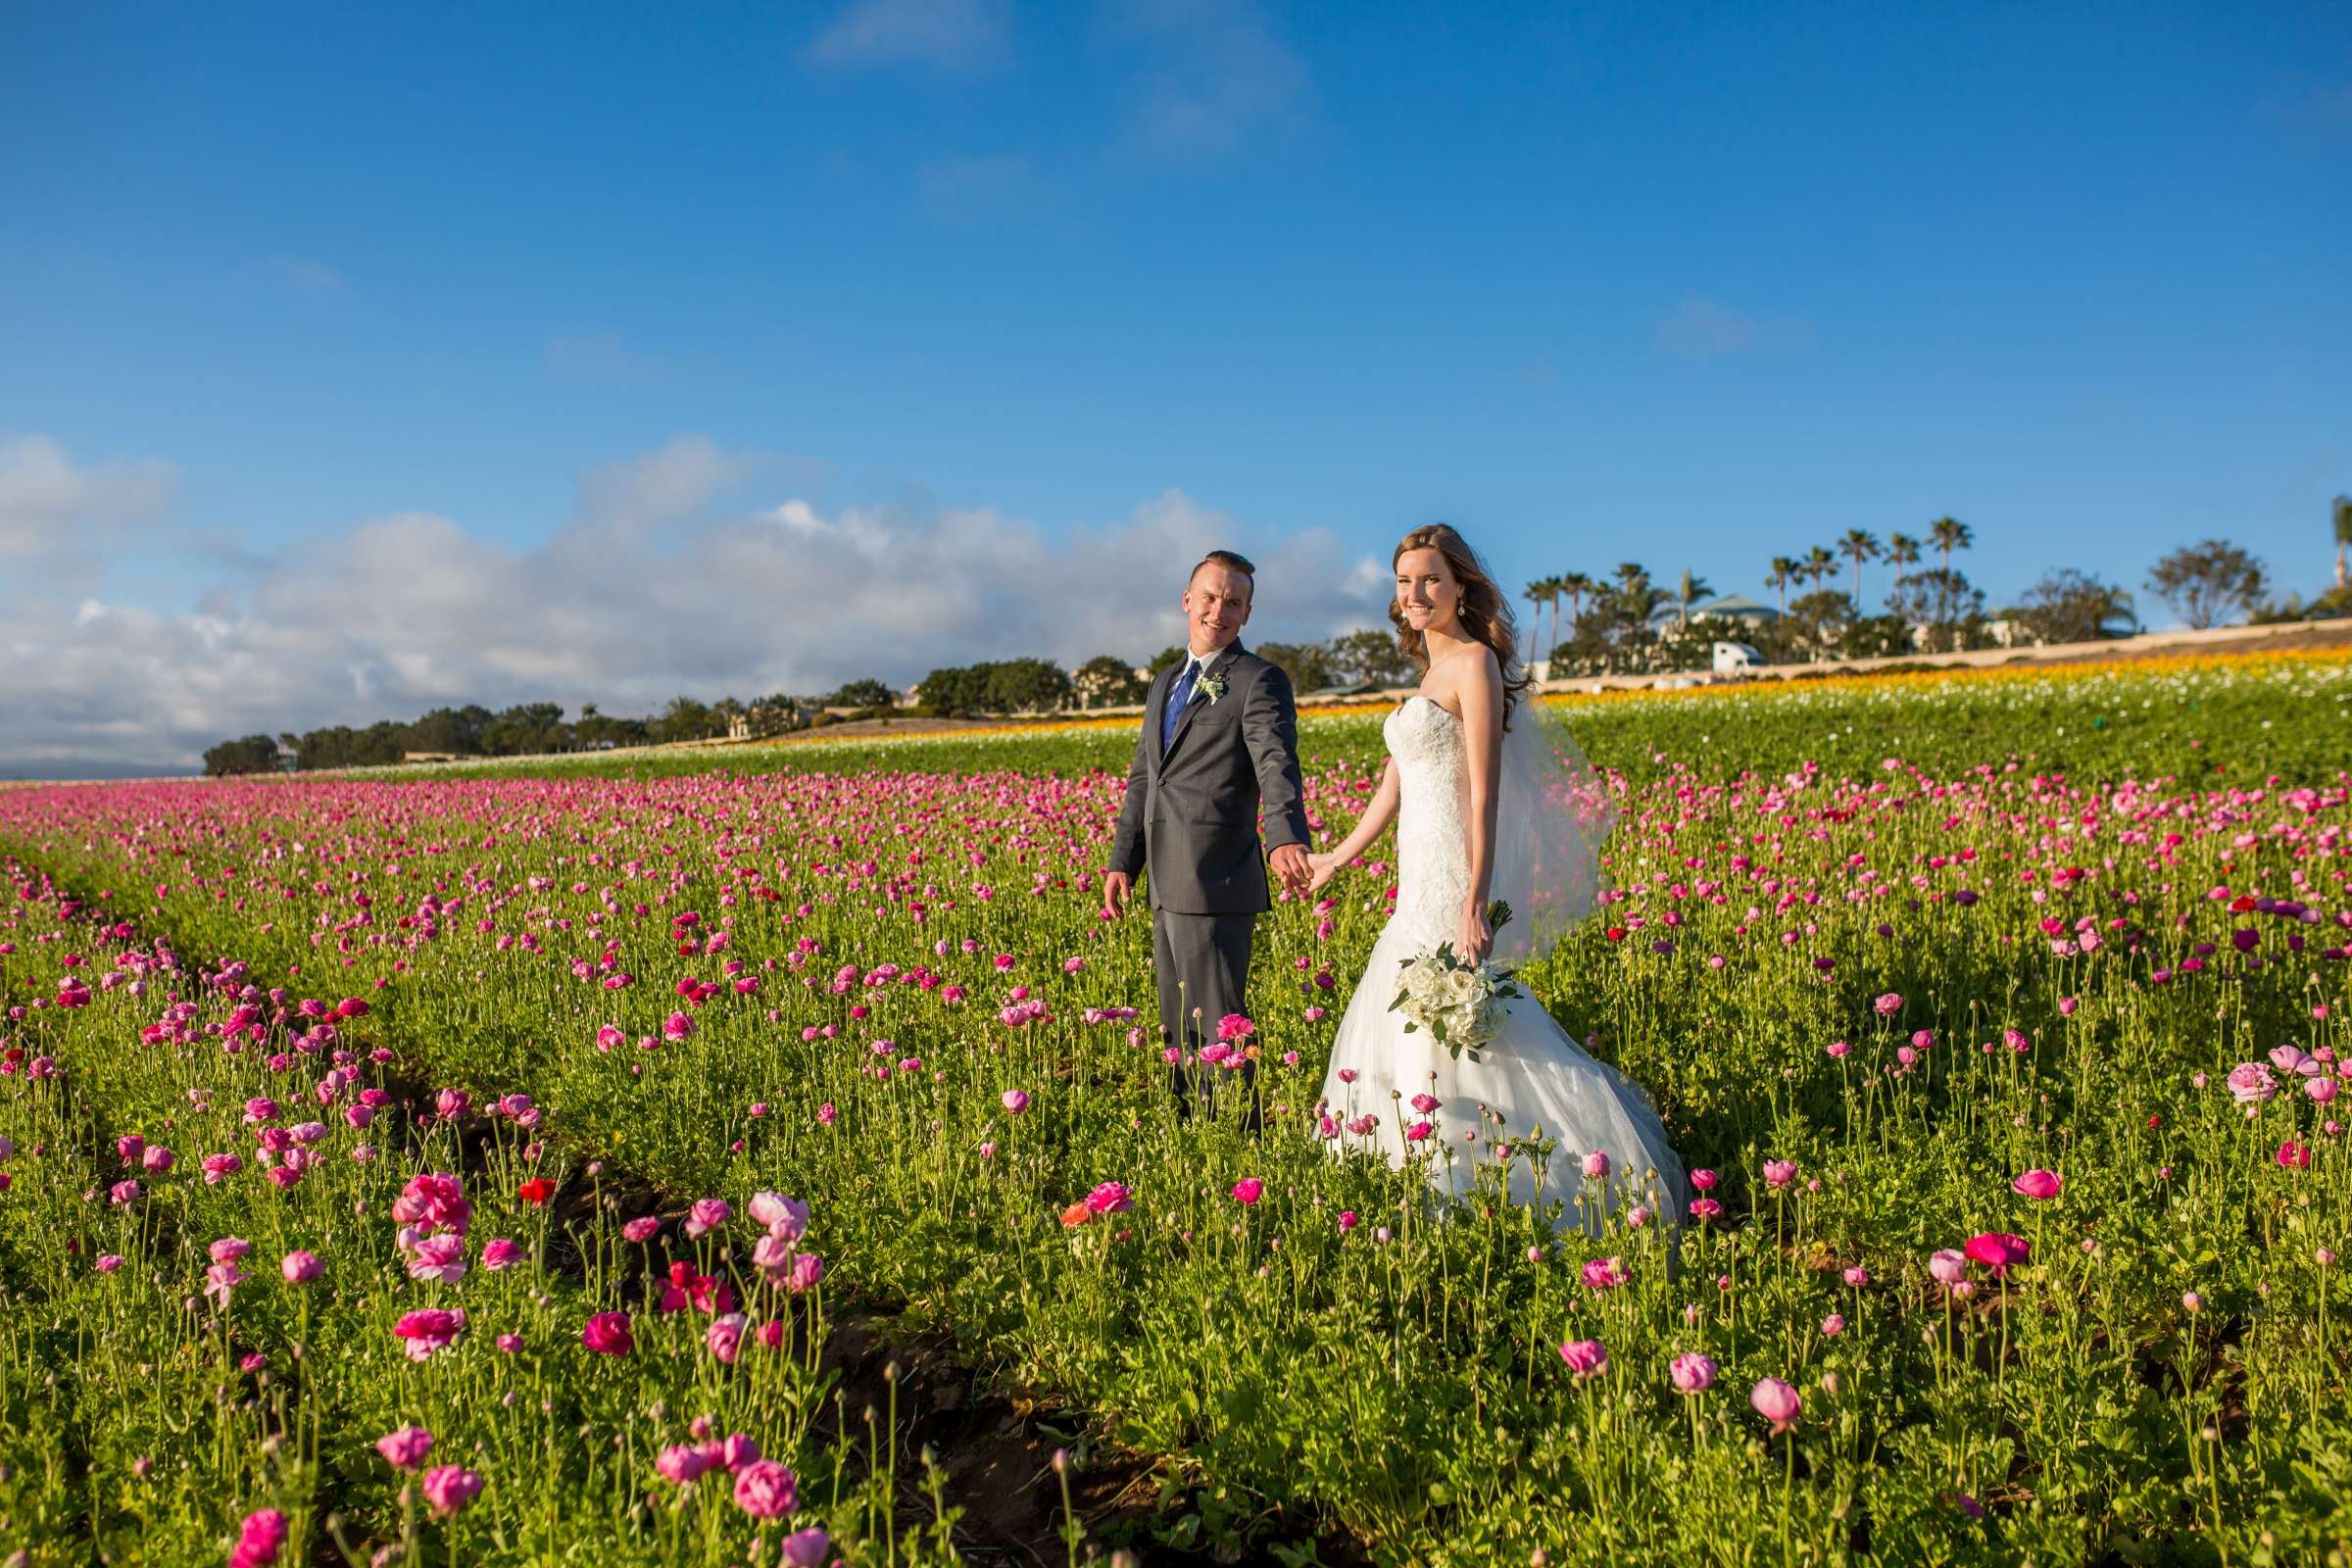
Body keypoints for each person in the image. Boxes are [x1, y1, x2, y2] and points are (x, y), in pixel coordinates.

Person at [1308, 524, 1683, 1233]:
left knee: (1469, 1026)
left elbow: (1486, 791)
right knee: (1407, 1027)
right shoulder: (1428, 673)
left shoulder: (1474, 664)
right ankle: (1416, 1184)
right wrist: (1336, 857)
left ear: (1459, 589)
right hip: (1413, 879)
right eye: (1403, 582)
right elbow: (1393, 788)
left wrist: (1475, 899)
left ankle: (1514, 1185)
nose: (1414, 594)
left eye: (1429, 580)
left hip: (1453, 876)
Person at [1104, 550, 1313, 1122]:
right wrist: (1124, 859)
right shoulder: (1164, 683)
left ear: (1247, 615)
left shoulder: (1257, 680)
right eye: (1211, 596)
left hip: (1218, 877)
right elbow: (1147, 775)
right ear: (1188, 599)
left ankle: (1239, 1140)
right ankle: (1190, 1140)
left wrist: (1285, 836)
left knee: (1221, 1023)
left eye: (1234, 602)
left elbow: (1276, 762)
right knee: (1177, 1024)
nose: (1220, 610)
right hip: (1165, 880)